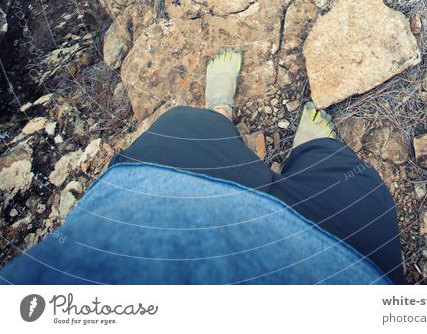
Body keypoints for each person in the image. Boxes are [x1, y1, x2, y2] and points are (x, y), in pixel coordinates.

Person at [1, 49, 404, 285]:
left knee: (183, 124)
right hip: (330, 261)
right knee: (362, 194)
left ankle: (220, 114)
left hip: (158, 204)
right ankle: (310, 151)